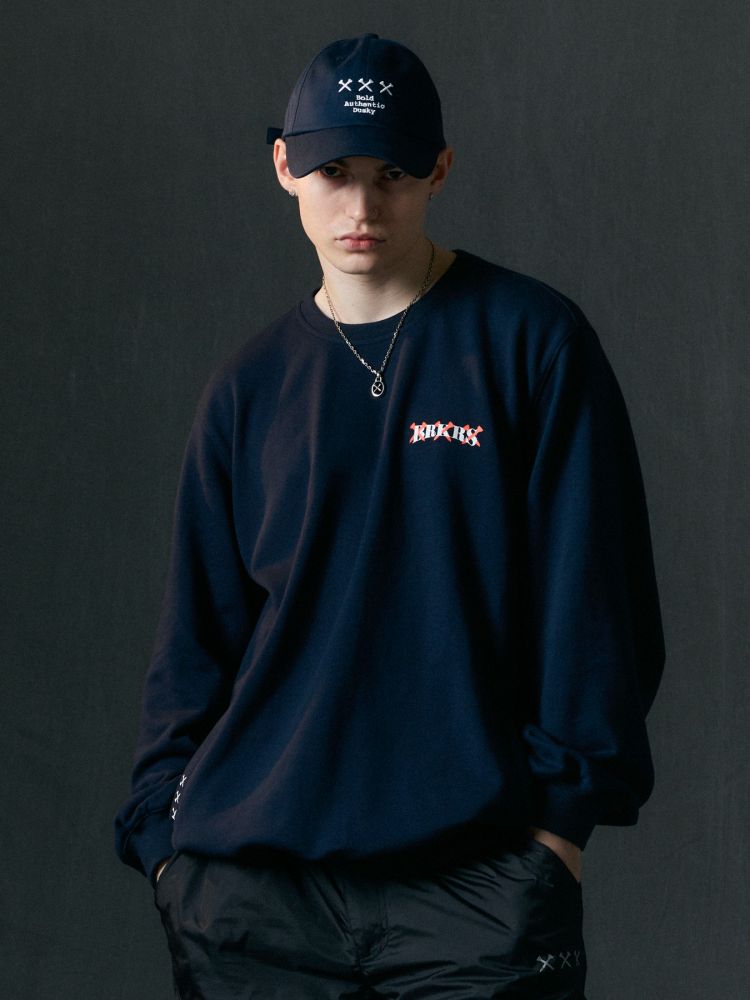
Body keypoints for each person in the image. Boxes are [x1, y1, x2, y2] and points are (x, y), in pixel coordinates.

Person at [114, 32, 665, 1000]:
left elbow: (599, 603)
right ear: (284, 166)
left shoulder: (533, 342)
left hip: (479, 889)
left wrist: (556, 833)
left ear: (439, 170)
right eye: (334, 172)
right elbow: (196, 641)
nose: (362, 208)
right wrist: (164, 838)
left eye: (393, 175)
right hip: (253, 897)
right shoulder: (248, 388)